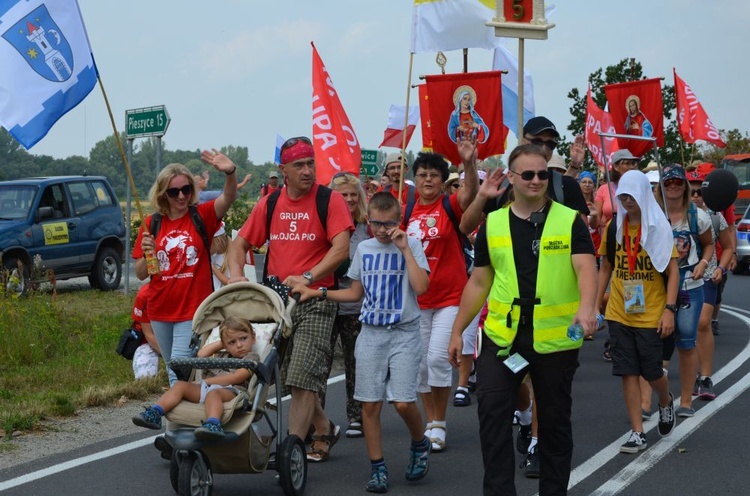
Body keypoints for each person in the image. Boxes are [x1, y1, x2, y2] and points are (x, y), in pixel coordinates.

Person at [448, 144, 597, 495]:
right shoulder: (494, 222)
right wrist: (457, 330)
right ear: (511, 178)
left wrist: (587, 307)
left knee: (555, 423)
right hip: (503, 338)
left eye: (542, 174)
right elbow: (480, 281)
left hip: (555, 339)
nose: (536, 180)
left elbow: (586, 267)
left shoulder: (569, 219)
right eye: (527, 174)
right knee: (492, 413)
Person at [293, 192, 432, 494]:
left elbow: (421, 288)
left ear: (399, 222)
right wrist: (318, 293)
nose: (383, 231)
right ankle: (377, 467)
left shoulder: (413, 246)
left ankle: (420, 443)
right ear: (368, 221)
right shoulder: (365, 249)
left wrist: (406, 249)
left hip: (405, 334)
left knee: (404, 402)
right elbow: (355, 294)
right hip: (371, 333)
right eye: (377, 224)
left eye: (389, 224)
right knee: (369, 404)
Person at [226, 136, 352, 463]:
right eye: (299, 165)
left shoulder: (330, 200)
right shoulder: (269, 203)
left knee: (301, 376)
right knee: (281, 374)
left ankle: (290, 451)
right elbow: (237, 246)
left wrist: (309, 277)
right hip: (277, 303)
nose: (308, 171)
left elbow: (340, 249)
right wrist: (238, 275)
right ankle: (323, 428)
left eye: (311, 163)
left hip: (316, 298)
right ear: (283, 170)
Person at [133, 150, 238, 386]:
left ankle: (175, 422)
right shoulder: (152, 223)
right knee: (177, 369)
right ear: (163, 194)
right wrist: (147, 251)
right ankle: (197, 411)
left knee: (178, 368)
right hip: (159, 308)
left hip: (192, 308)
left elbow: (229, 196)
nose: (181, 196)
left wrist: (230, 172)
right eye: (174, 192)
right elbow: (141, 273)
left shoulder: (202, 215)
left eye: (186, 189)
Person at [404, 139, 479, 453]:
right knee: (419, 366)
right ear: (415, 178)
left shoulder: (449, 205)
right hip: (416, 301)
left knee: (437, 358)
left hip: (451, 297)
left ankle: (440, 422)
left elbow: (471, 193)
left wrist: (470, 163)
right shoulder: (405, 209)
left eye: (434, 174)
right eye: (422, 174)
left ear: (442, 178)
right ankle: (430, 421)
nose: (428, 179)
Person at [595, 170, 678, 454]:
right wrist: (596, 305)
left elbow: (673, 271)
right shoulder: (613, 227)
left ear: (644, 194)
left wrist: (669, 310)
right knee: (628, 371)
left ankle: (665, 400)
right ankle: (636, 432)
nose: (627, 201)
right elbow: (606, 265)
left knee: (652, 370)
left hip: (651, 313)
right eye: (622, 196)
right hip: (620, 311)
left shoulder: (658, 227)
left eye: (632, 195)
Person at [132, 317, 259, 440]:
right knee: (180, 385)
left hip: (232, 392)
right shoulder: (222, 354)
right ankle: (155, 413)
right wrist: (223, 343)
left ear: (253, 338)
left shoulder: (251, 357)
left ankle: (213, 424)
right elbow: (201, 354)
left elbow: (237, 377)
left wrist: (205, 382)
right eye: (232, 342)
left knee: (214, 394)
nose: (239, 345)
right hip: (207, 388)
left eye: (243, 339)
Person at [655, 164, 714, 418]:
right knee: (655, 342)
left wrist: (702, 263)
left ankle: (687, 400)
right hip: (658, 285)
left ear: (685, 186)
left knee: (687, 342)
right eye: (668, 182)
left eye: (678, 182)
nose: (673, 186)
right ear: (661, 186)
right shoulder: (654, 215)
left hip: (689, 285)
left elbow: (709, 245)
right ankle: (652, 401)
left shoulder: (697, 216)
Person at [322, 171, 372, 438]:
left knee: (356, 363)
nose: (350, 199)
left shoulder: (367, 227)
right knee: (321, 363)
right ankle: (316, 420)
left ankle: (357, 416)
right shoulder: (323, 224)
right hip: (326, 302)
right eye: (344, 195)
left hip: (357, 306)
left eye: (354, 194)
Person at [687, 171, 733, 400]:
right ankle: (687, 376)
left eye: (700, 192)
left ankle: (705, 377)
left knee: (703, 322)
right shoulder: (674, 214)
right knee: (683, 328)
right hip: (681, 278)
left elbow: (727, 246)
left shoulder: (715, 216)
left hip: (706, 277)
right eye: (692, 191)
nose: (696, 196)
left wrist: (720, 269)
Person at [132, 282, 161, 380]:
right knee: (144, 377)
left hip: (179, 338)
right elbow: (149, 335)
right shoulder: (145, 294)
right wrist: (170, 359)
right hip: (150, 342)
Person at [210, 223, 230, 290]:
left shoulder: (229, 256)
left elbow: (229, 282)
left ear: (218, 241)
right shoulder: (213, 255)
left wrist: (212, 267)